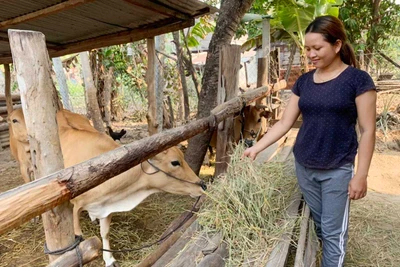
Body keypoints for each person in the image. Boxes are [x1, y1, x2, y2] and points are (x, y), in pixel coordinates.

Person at [242, 15, 376, 267]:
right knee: (319, 224)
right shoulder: (304, 82)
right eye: (307, 49)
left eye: (317, 48)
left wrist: (361, 175)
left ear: (336, 46)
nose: (311, 54)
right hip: (304, 166)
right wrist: (256, 148)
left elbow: (368, 130)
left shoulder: (358, 81)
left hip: (337, 170)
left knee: (333, 232)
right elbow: (283, 123)